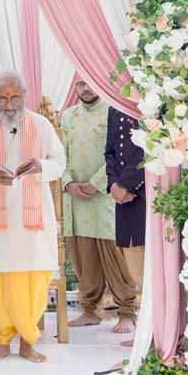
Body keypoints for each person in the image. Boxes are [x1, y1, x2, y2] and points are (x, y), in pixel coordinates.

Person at [0, 70, 66, 364]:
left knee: (35, 279)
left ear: (24, 96)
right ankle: (2, 340)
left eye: (14, 97)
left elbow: (59, 163)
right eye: (2, 98)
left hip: (33, 221)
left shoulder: (42, 125)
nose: (9, 104)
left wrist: (40, 166)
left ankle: (28, 341)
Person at [62, 77, 138, 334]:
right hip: (76, 199)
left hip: (106, 197)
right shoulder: (68, 116)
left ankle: (127, 312)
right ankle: (89, 310)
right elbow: (61, 155)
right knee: (84, 258)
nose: (86, 89)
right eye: (81, 84)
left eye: (90, 82)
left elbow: (119, 154)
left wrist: (96, 183)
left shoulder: (114, 111)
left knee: (115, 257)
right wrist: (69, 183)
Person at [105, 107, 146, 295]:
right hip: (123, 198)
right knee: (133, 261)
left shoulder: (151, 102)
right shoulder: (114, 107)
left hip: (145, 193)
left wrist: (125, 184)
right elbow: (110, 151)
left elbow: (149, 150)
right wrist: (114, 185)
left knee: (150, 260)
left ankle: (157, 319)